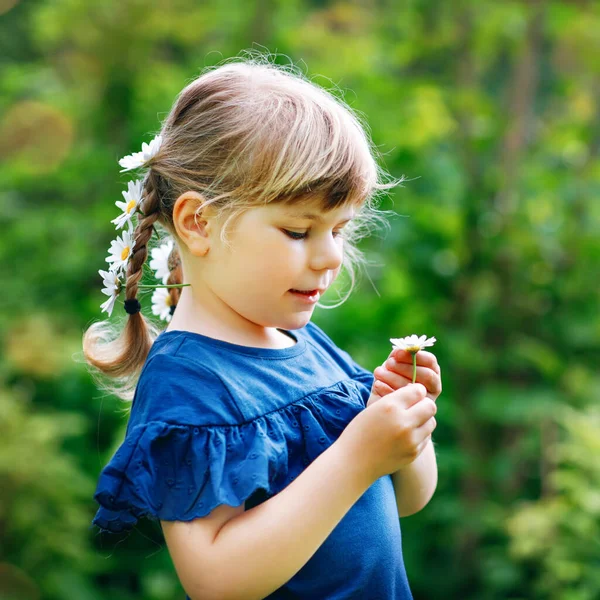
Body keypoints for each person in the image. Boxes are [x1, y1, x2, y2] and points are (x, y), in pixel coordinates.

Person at [83, 53, 441, 600]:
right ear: (199, 223)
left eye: (339, 230)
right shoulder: (191, 380)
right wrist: (357, 456)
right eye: (299, 231)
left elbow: (407, 499)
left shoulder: (304, 343)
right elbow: (216, 580)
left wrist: (404, 430)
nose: (329, 258)